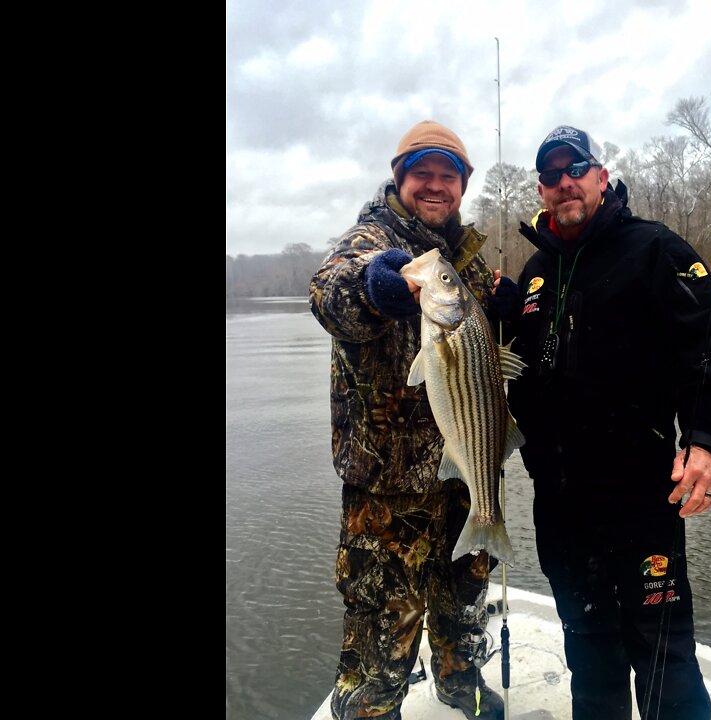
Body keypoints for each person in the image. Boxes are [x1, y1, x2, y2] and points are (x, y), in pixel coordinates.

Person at [506, 125, 711, 720]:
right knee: (588, 651)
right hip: (559, 505)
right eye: (552, 175)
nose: (565, 183)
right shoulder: (535, 273)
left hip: (640, 498)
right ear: (541, 190)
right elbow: (515, 375)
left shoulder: (656, 250)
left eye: (576, 168)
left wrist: (707, 444)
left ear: (601, 177)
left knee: (661, 650)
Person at [309, 120, 520, 720]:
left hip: (467, 469)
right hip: (387, 484)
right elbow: (330, 293)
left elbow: (493, 348)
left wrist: (512, 308)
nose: (434, 186)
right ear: (400, 179)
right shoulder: (371, 239)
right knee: (382, 620)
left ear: (462, 185)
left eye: (447, 175)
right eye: (421, 173)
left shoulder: (465, 260)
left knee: (466, 598)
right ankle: (374, 709)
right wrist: (375, 289)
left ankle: (463, 684)